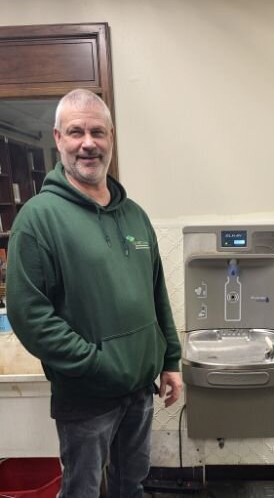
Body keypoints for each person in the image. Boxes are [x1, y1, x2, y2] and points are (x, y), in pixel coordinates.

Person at [6, 89, 182, 498]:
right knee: (82, 490)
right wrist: (95, 363)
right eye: (76, 132)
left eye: (97, 132)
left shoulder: (134, 214)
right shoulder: (38, 219)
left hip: (140, 388)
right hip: (85, 395)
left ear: (111, 137)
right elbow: (30, 315)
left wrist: (169, 359)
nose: (88, 143)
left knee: (131, 483)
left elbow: (156, 294)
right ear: (58, 138)